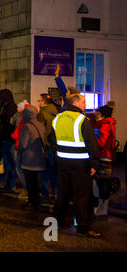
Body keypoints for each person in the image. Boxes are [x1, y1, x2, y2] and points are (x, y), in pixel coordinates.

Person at [51, 94, 101, 238]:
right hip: (80, 164)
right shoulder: (82, 120)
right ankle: (83, 228)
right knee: (82, 197)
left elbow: (51, 140)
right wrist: (94, 164)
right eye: (84, 102)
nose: (85, 105)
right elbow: (92, 145)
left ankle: (57, 222)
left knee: (63, 194)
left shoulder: (58, 118)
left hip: (62, 163)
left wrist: (59, 154)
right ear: (76, 103)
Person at [18, 105, 46, 210]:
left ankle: (32, 202)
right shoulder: (40, 124)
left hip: (29, 159)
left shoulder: (27, 126)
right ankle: (37, 201)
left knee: (30, 182)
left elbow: (24, 144)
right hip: (39, 157)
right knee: (36, 181)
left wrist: (19, 150)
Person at [93, 104, 116, 216]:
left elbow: (101, 143)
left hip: (102, 157)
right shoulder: (109, 124)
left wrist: (92, 143)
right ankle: (100, 207)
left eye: (96, 111)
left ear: (101, 114)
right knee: (100, 183)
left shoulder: (104, 125)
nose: (94, 113)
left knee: (102, 184)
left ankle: (102, 209)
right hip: (107, 156)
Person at [37, 93, 59, 202]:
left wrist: (40, 146)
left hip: (45, 146)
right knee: (53, 172)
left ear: (43, 102)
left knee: (43, 172)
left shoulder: (42, 114)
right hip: (54, 146)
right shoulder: (55, 113)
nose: (38, 102)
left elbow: (41, 132)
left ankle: (45, 194)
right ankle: (56, 194)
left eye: (39, 100)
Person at [0, 89, 18, 193]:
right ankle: (7, 183)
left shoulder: (11, 108)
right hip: (5, 138)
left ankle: (10, 184)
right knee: (7, 163)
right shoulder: (6, 106)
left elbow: (9, 123)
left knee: (9, 163)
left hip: (9, 139)